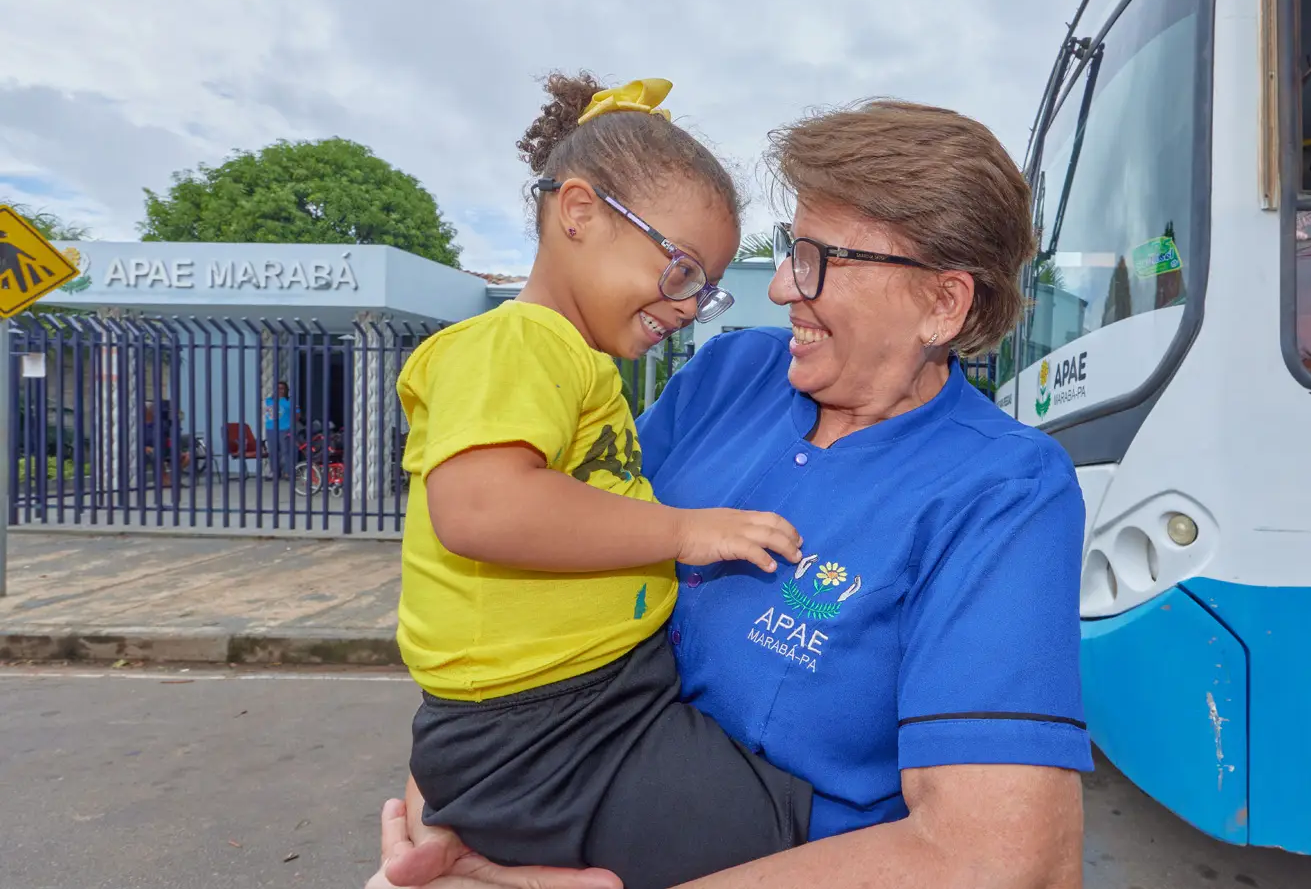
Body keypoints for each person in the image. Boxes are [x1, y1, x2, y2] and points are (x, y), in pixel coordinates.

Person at [371, 95, 1090, 889]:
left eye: (819, 257)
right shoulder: (730, 376)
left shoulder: (1002, 490)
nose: (782, 287)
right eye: (789, 247)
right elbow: (528, 553)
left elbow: (1002, 857)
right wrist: (456, 814)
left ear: (941, 303)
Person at [391, 74, 816, 889]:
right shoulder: (516, 343)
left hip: (592, 706)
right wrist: (689, 530)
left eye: (707, 287)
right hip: (544, 734)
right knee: (782, 835)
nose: (692, 306)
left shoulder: (575, 364)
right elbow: (481, 506)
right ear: (579, 213)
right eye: (682, 270)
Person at [262, 381, 295, 480]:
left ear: (286, 390)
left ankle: (287, 472)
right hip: (271, 429)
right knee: (272, 451)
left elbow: (297, 414)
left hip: (284, 429)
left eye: (282, 388)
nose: (280, 390)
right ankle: (275, 472)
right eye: (278, 388)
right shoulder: (268, 401)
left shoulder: (289, 401)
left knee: (286, 451)